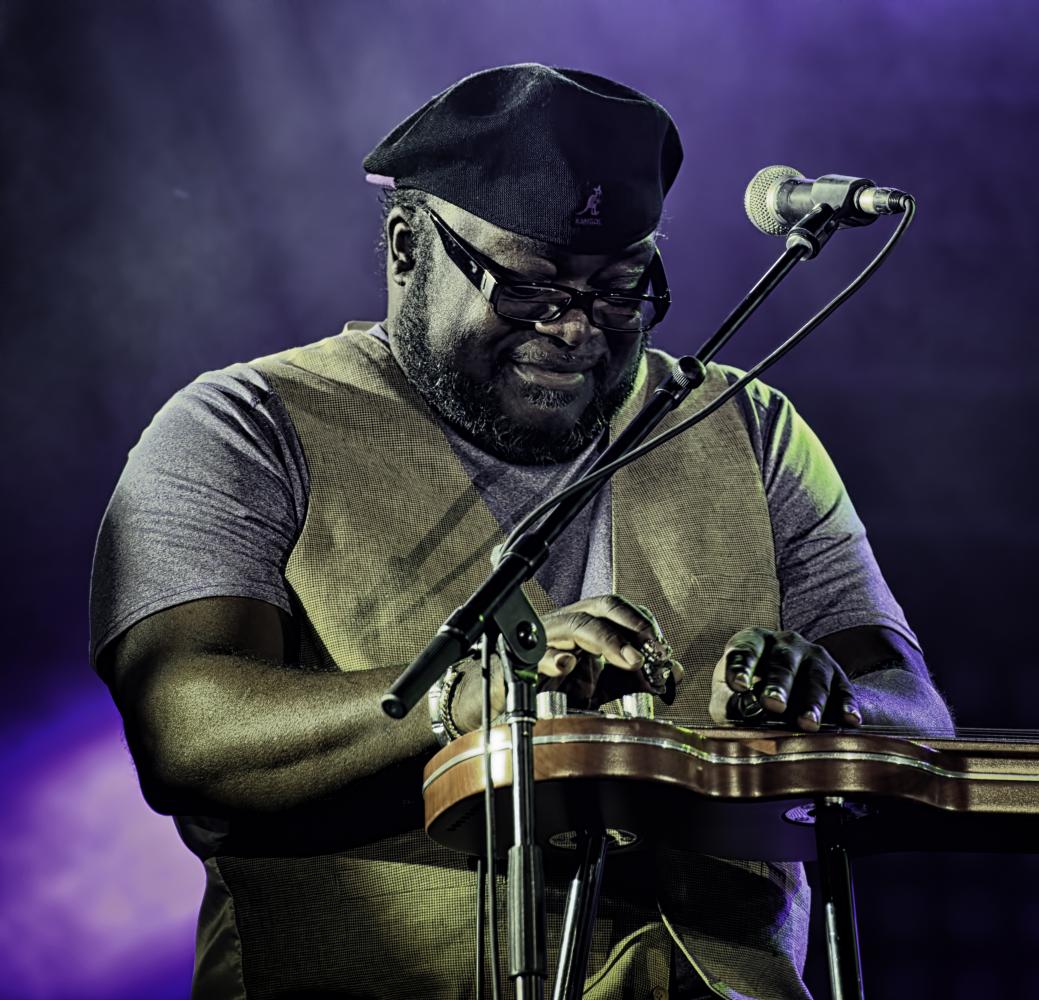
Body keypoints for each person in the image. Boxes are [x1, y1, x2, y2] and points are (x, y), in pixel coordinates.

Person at [90, 63, 951, 1000]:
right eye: (527, 288)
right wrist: (456, 700)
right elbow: (184, 729)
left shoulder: (749, 427)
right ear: (406, 247)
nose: (575, 330)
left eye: (619, 290)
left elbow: (912, 711)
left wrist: (840, 712)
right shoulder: (242, 425)